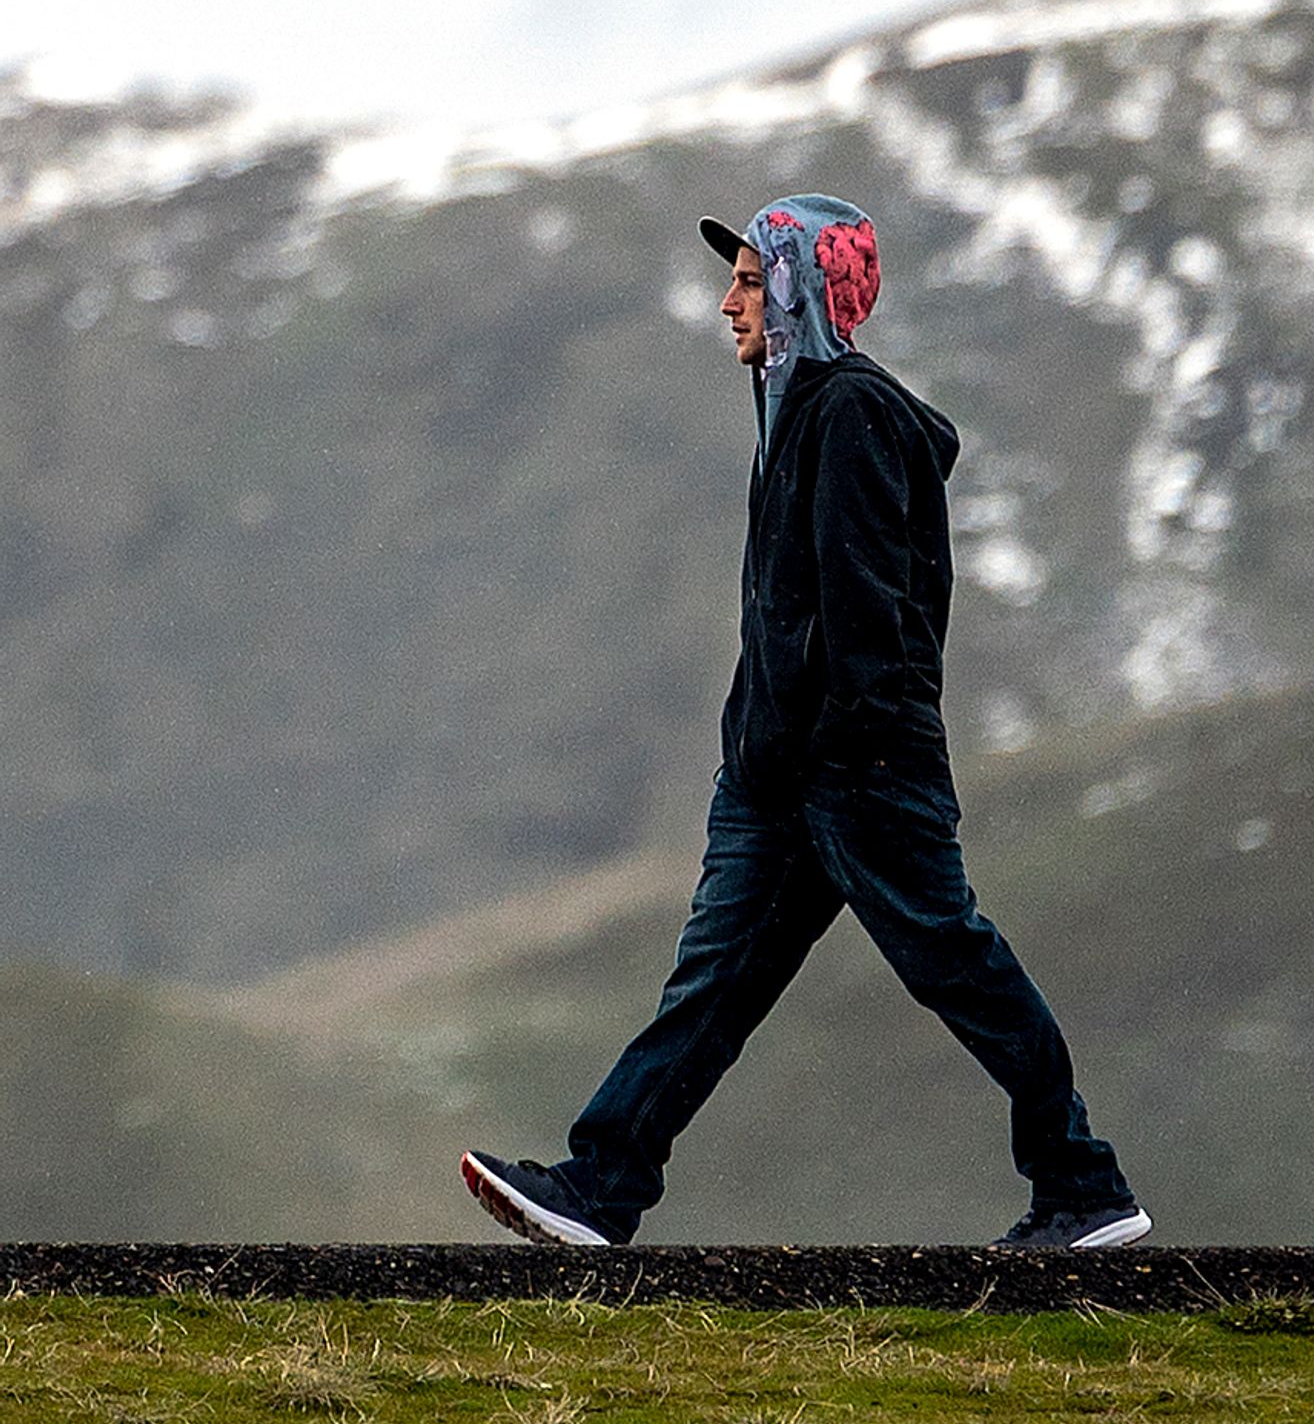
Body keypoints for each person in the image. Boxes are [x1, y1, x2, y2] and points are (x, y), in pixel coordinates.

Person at [461, 196, 1148, 1250]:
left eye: (749, 279)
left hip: (858, 773)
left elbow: (870, 616)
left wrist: (844, 754)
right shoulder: (790, 413)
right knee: (713, 987)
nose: (727, 301)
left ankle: (1084, 1186)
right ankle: (600, 1188)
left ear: (801, 291)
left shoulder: (850, 414)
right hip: (778, 781)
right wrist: (761, 755)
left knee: (956, 965)